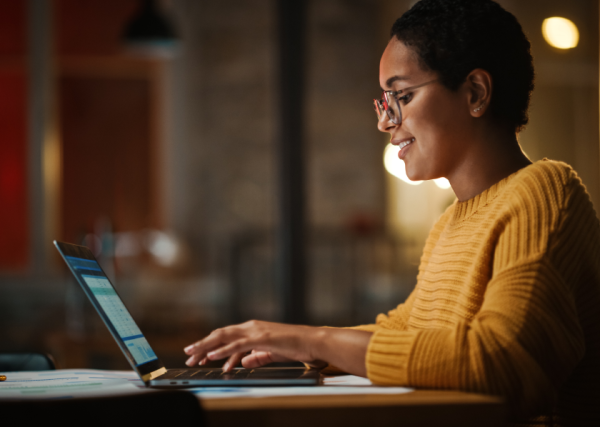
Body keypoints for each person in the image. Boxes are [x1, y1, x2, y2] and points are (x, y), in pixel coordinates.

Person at [184, 0, 600, 425]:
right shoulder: (451, 222)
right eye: (386, 100)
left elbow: (502, 358)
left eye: (401, 96)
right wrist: (294, 344)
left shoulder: (546, 192)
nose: (386, 123)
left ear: (475, 92)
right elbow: (406, 332)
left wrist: (316, 341)